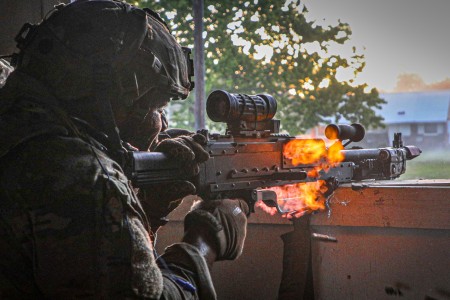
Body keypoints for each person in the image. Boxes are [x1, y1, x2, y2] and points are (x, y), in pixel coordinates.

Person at [0, 0, 248, 299]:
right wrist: (205, 242)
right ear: (109, 91)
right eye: (154, 106)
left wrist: (147, 207)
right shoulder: (86, 178)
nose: (158, 124)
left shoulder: (18, 123)